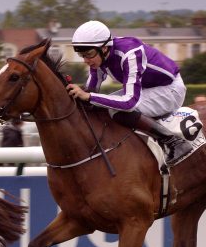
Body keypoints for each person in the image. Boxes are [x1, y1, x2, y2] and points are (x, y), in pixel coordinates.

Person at [66, 20, 192, 165]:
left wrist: (88, 96)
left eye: (89, 54)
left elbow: (129, 103)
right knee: (100, 105)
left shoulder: (130, 53)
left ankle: (174, 142)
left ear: (104, 48)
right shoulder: (98, 57)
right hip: (148, 88)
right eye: (82, 55)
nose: (86, 60)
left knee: (115, 110)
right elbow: (90, 90)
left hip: (171, 89)